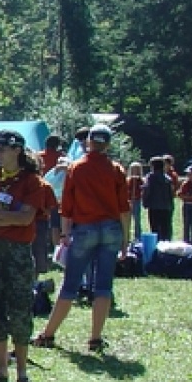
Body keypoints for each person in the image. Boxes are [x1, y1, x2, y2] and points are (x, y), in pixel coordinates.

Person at [32, 126, 131, 353]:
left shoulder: (76, 168)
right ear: (107, 144)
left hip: (84, 229)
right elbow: (124, 208)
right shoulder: (116, 170)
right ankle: (95, 338)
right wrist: (125, 240)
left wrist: (65, 234)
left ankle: (48, 334)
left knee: (70, 285)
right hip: (111, 229)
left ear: (88, 142)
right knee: (103, 286)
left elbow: (67, 206)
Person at [0, 131, 48, 382]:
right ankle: (2, 366)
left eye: (2, 150)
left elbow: (26, 218)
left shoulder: (32, 183)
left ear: (17, 150)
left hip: (18, 250)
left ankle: (22, 371)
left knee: (19, 306)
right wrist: (6, 216)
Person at [142, 156, 175, 242]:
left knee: (155, 229)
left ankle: (157, 247)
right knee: (165, 229)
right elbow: (171, 194)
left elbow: (147, 190)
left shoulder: (150, 177)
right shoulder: (168, 178)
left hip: (154, 207)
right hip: (166, 207)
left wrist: (145, 202)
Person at [126, 161, 145, 239]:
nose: (135, 171)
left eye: (137, 170)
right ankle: (127, 236)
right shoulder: (128, 180)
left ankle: (138, 236)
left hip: (137, 201)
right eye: (133, 169)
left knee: (137, 219)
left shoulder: (140, 180)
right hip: (129, 201)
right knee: (128, 220)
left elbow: (143, 190)